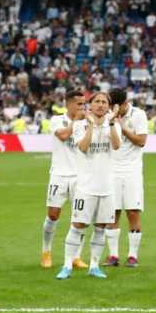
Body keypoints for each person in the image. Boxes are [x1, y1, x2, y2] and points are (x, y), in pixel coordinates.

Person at [57, 91, 122, 280]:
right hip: (86, 187)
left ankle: (94, 265)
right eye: (97, 101)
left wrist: (110, 123)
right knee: (77, 225)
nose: (101, 105)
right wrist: (92, 125)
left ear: (109, 106)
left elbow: (116, 145)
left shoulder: (114, 125)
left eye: (104, 102)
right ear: (90, 105)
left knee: (101, 227)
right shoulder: (79, 125)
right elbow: (83, 147)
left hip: (107, 186)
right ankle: (67, 265)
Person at [42, 89, 86, 269]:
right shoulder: (56, 120)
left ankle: (76, 256)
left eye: (84, 103)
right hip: (59, 175)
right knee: (53, 215)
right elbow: (63, 135)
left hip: (81, 176)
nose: (82, 107)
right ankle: (46, 251)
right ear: (68, 104)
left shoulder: (88, 123)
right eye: (79, 103)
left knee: (80, 218)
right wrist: (76, 121)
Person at [107, 88, 148, 267]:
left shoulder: (138, 115)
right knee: (112, 213)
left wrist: (122, 128)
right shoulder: (107, 117)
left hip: (132, 170)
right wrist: (111, 120)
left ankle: (133, 255)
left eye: (117, 107)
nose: (114, 110)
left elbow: (141, 141)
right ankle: (113, 256)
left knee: (132, 212)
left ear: (124, 103)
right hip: (112, 170)